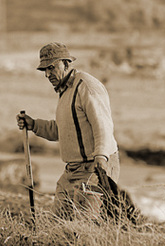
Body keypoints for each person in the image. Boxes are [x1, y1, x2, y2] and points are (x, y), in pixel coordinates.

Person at [17, 42, 138, 221]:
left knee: (84, 226)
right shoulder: (65, 91)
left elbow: (103, 126)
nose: (48, 74)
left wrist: (101, 157)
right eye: (45, 70)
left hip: (95, 167)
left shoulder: (87, 86)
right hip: (72, 170)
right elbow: (61, 131)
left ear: (66, 64)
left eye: (52, 68)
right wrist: (34, 124)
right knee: (58, 223)